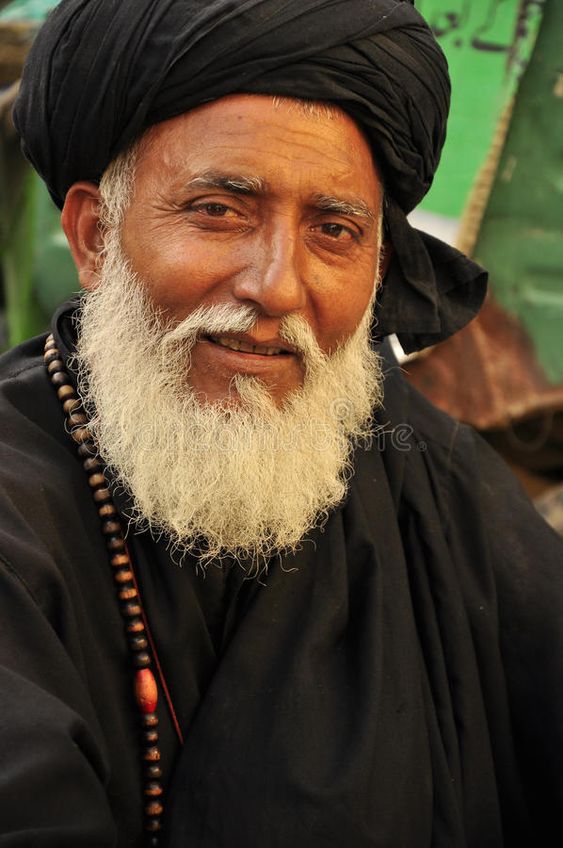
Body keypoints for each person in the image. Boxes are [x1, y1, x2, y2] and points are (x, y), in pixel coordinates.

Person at [1, 1, 561, 846]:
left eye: (333, 231)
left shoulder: (428, 478)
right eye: (219, 212)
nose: (277, 285)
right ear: (94, 235)